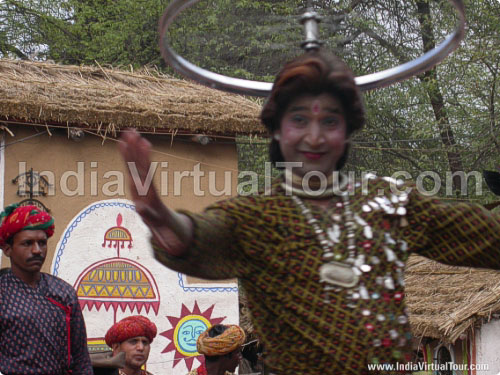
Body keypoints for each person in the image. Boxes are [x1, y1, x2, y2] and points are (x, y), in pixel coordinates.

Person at [118, 49, 500, 375]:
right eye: (299, 120)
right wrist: (158, 214)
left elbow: (485, 236)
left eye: (330, 121)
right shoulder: (255, 217)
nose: (314, 137)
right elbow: (196, 237)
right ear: (278, 130)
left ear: (347, 130)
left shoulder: (391, 202)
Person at [0, 203, 93, 374]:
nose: (37, 250)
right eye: (27, 243)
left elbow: (81, 358)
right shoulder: (3, 295)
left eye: (42, 243)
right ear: (7, 249)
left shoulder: (64, 293)